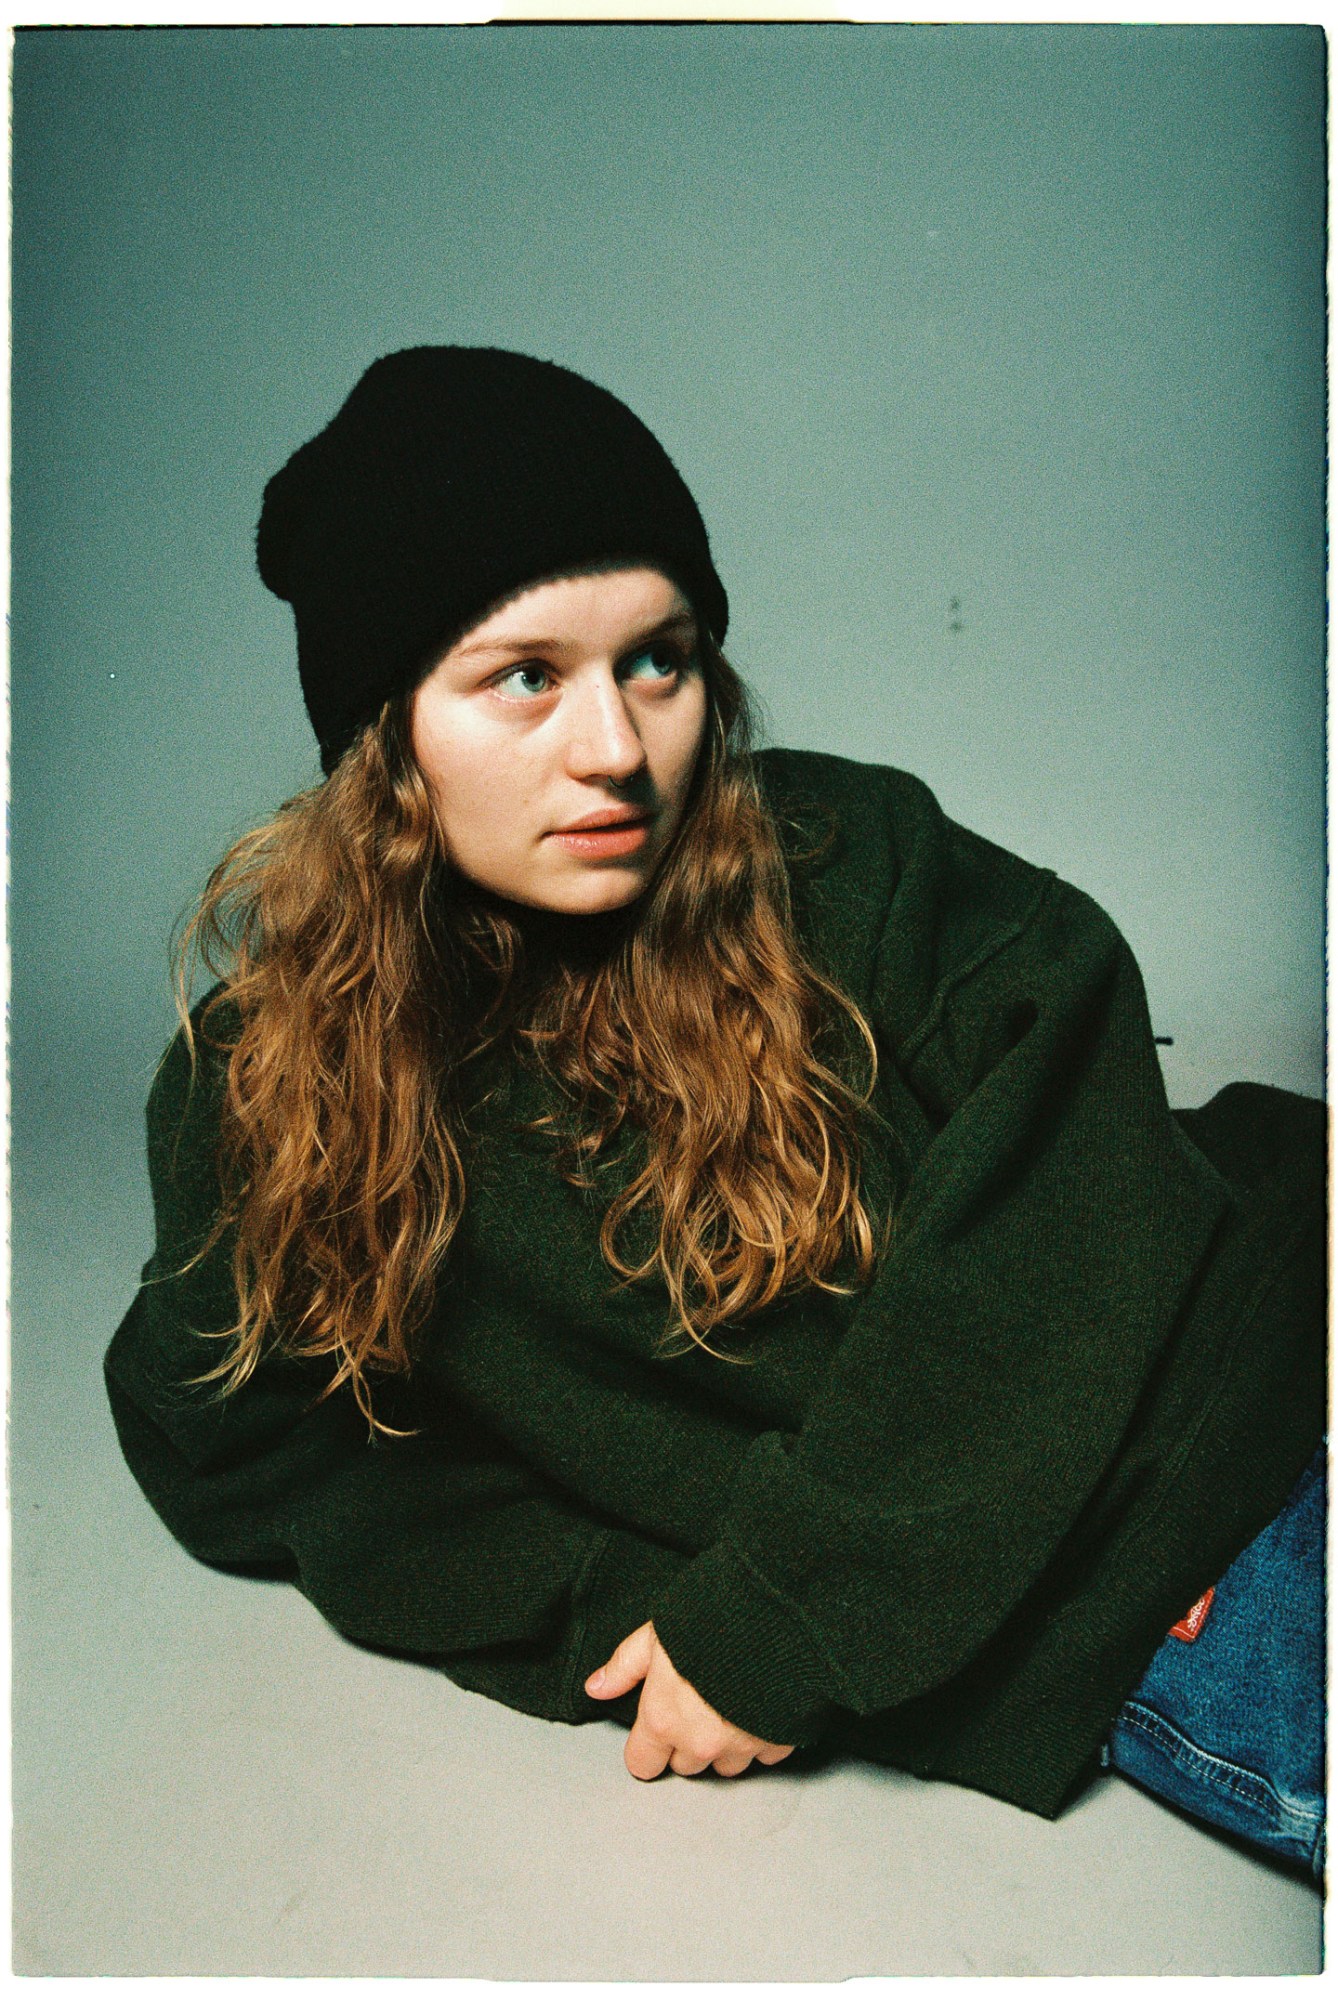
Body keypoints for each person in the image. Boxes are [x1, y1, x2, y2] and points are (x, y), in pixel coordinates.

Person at [105, 347, 1326, 1875]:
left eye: (658, 661)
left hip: (1286, 1341)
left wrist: (797, 1602)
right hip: (1171, 1590)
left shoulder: (843, 853)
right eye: (525, 678)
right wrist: (654, 1612)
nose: (614, 747)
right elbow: (238, 1446)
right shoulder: (264, 1091)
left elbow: (1069, 1194)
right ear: (386, 729)